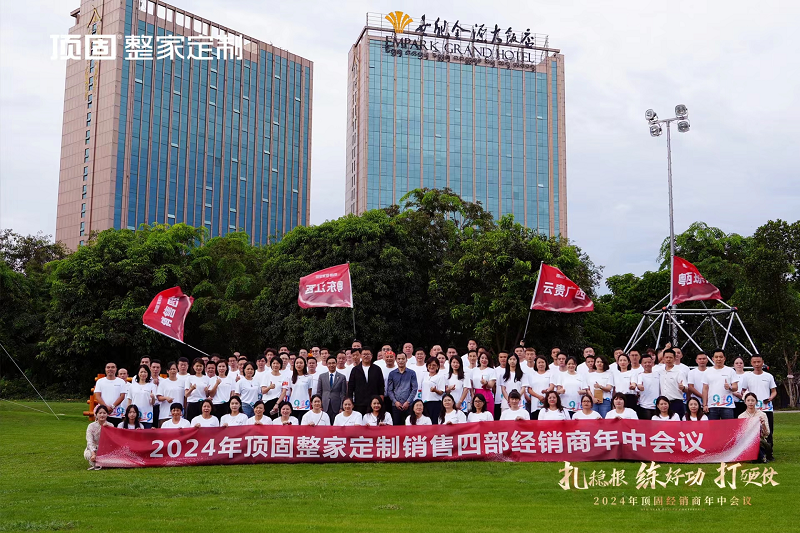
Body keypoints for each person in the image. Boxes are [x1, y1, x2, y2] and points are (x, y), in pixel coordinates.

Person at [741, 354, 776, 459]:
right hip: (752, 408)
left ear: (762, 362)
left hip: (766, 408)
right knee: (751, 431)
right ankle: (754, 452)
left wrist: (770, 398)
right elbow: (743, 390)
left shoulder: (768, 376)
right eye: (754, 362)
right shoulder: (747, 376)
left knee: (768, 431)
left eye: (759, 362)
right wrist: (749, 400)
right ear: (751, 363)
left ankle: (769, 453)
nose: (757, 364)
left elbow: (774, 391)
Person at [702, 349, 739, 420]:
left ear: (724, 358)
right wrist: (705, 405)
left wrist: (729, 387)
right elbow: (705, 389)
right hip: (712, 405)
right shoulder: (707, 371)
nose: (718, 359)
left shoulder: (731, 371)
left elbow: (735, 387)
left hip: (727, 405)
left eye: (721, 357)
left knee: (728, 426)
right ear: (713, 359)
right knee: (712, 426)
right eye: (716, 357)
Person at [348, 348, 385, 414]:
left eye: (368, 354)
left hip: (374, 402)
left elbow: (381, 384)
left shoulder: (377, 369)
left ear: (371, 356)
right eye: (364, 354)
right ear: (361, 356)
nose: (366, 356)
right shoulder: (355, 370)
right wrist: (350, 399)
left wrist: (381, 396)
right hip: (359, 402)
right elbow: (351, 386)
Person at [739, 392, 772, 462]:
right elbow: (741, 434)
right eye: (748, 400)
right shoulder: (741, 416)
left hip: (761, 441)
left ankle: (758, 457)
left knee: (757, 441)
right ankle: (761, 457)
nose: (750, 402)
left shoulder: (762, 414)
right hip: (747, 442)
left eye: (752, 400)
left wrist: (763, 425)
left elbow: (767, 433)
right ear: (745, 402)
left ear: (756, 402)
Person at [94, 362, 126, 426]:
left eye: (112, 367)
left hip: (116, 414)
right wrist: (106, 407)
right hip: (102, 413)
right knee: (101, 430)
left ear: (116, 369)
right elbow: (97, 396)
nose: (110, 369)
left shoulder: (121, 382)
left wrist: (113, 406)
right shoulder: (100, 381)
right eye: (108, 367)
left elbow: (122, 396)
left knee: (115, 431)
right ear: (105, 369)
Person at [659, 349, 688, 419]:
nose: (668, 359)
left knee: (677, 424)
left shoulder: (679, 372)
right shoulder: (659, 371)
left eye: (671, 357)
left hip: (676, 402)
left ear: (674, 359)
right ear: (663, 358)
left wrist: (683, 388)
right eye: (666, 357)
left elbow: (686, 388)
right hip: (663, 404)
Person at [317, 355, 347, 421]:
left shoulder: (342, 377)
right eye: (329, 363)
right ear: (327, 365)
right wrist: (320, 405)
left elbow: (343, 393)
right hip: (324, 405)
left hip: (336, 405)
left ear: (336, 364)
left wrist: (341, 407)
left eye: (333, 363)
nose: (331, 365)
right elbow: (319, 392)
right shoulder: (322, 376)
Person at [85, 405, 113, 470]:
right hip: (93, 449)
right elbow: (89, 441)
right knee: (89, 455)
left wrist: (108, 428)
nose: (102, 415)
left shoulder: (110, 425)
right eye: (100, 413)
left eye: (104, 413)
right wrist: (93, 453)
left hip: (106, 450)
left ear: (107, 414)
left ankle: (101, 463)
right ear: (96, 414)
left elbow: (112, 441)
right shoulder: (91, 426)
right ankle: (100, 463)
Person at [156, 361, 184, 428]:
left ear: (177, 370)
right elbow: (159, 397)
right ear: (167, 371)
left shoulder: (182, 382)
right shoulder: (163, 383)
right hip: (165, 414)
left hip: (179, 414)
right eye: (171, 369)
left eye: (174, 369)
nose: (173, 371)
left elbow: (185, 397)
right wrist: (166, 398)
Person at [470, 352, 497, 417]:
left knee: (488, 415)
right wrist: (472, 394)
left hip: (486, 394)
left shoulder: (491, 370)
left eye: (486, 358)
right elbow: (471, 384)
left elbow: (491, 385)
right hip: (476, 394)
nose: (484, 360)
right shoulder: (474, 370)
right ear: (479, 359)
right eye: (482, 358)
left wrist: (486, 383)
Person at [421, 357, 446, 424]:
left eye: (434, 365)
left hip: (435, 403)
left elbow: (441, 392)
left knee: (434, 422)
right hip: (424, 402)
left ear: (437, 366)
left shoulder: (440, 376)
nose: (431, 367)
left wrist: (435, 390)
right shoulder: (425, 376)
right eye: (429, 365)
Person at [636, 353, 660, 420]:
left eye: (649, 362)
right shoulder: (640, 375)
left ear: (652, 363)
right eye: (645, 363)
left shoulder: (658, 374)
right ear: (641, 364)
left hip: (657, 406)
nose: (647, 364)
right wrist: (639, 387)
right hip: (644, 406)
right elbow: (638, 385)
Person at [288, 356, 313, 421]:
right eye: (297, 363)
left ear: (304, 364)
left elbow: (309, 392)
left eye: (301, 363)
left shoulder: (309, 377)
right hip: (293, 405)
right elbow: (290, 391)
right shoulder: (290, 377)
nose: (299, 365)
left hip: (305, 405)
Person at [185, 358, 209, 422]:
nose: (199, 368)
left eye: (200, 366)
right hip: (192, 403)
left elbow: (207, 395)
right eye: (197, 366)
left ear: (203, 367)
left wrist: (206, 391)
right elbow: (186, 395)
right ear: (193, 367)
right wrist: (191, 389)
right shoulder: (189, 378)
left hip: (203, 404)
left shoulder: (206, 378)